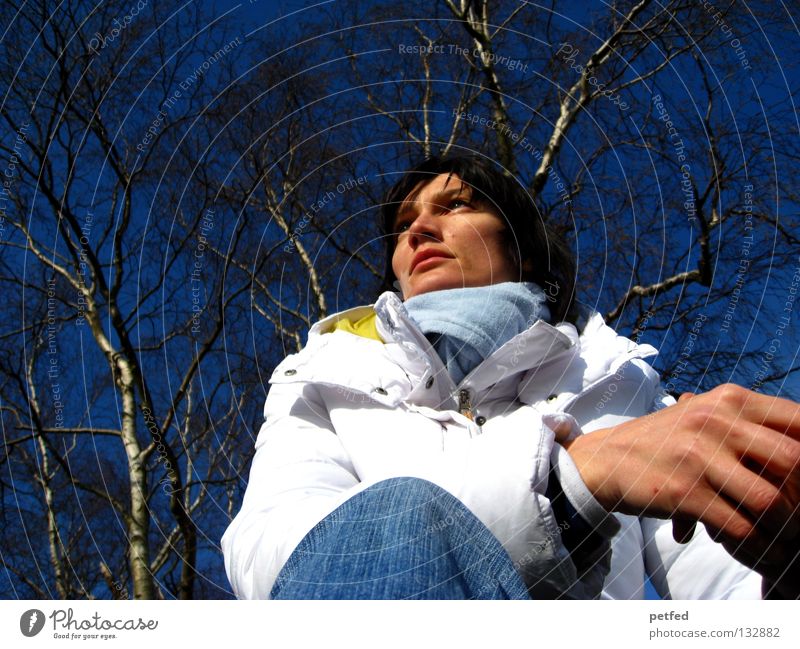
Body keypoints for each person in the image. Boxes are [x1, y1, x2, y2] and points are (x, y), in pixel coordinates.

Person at [222, 155, 800, 599]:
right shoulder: (321, 375)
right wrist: (567, 484)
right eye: (403, 225)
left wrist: (785, 562)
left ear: (521, 246)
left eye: (453, 207)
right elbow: (275, 560)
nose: (418, 229)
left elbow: (731, 596)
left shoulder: (618, 380)